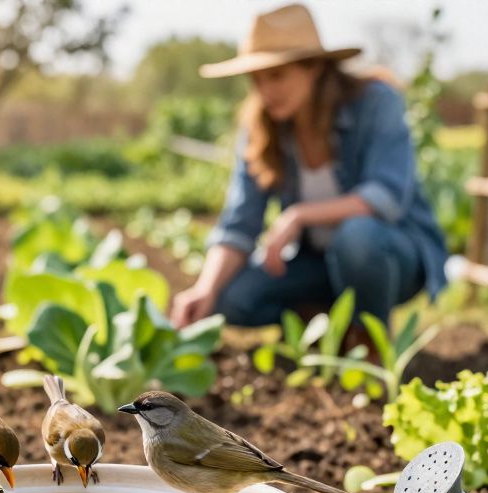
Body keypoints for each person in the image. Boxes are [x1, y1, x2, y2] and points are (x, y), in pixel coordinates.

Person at [170, 3, 447, 336]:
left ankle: (370, 339)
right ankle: (318, 322)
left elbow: (384, 197)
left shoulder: (375, 102)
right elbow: (239, 224)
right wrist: (205, 288)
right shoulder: (262, 129)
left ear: (314, 68)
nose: (265, 91)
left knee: (358, 236)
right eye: (256, 79)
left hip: (388, 258)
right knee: (229, 298)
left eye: (276, 75)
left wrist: (299, 215)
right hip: (317, 263)